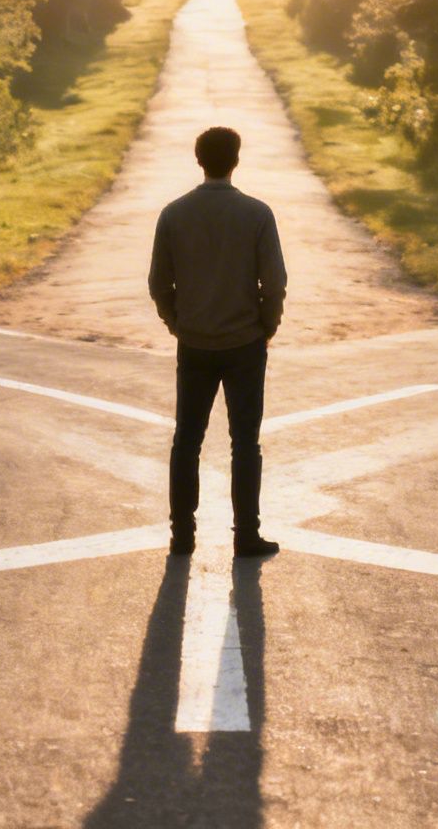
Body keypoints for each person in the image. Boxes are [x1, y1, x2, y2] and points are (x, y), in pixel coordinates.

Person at [148, 126, 287, 558]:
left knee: (186, 439)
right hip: (245, 342)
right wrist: (267, 326)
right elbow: (275, 282)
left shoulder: (173, 214)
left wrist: (177, 323)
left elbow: (158, 283)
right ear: (236, 160)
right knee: (245, 441)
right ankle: (246, 534)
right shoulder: (257, 213)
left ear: (198, 159)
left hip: (195, 343)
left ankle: (182, 535)